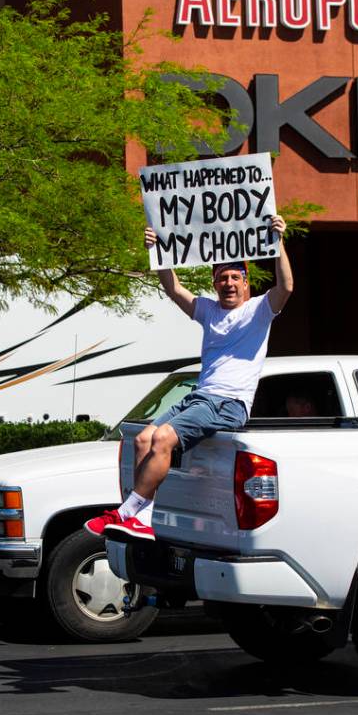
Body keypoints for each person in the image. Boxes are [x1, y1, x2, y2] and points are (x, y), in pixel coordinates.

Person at [84, 214, 293, 541]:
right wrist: (157, 252)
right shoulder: (209, 311)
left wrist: (277, 242)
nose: (229, 283)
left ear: (246, 282)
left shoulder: (259, 310)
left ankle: (126, 512)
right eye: (222, 278)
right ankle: (144, 517)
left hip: (228, 403)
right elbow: (172, 287)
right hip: (201, 397)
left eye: (235, 277)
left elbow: (286, 286)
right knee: (143, 438)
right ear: (215, 283)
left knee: (163, 438)